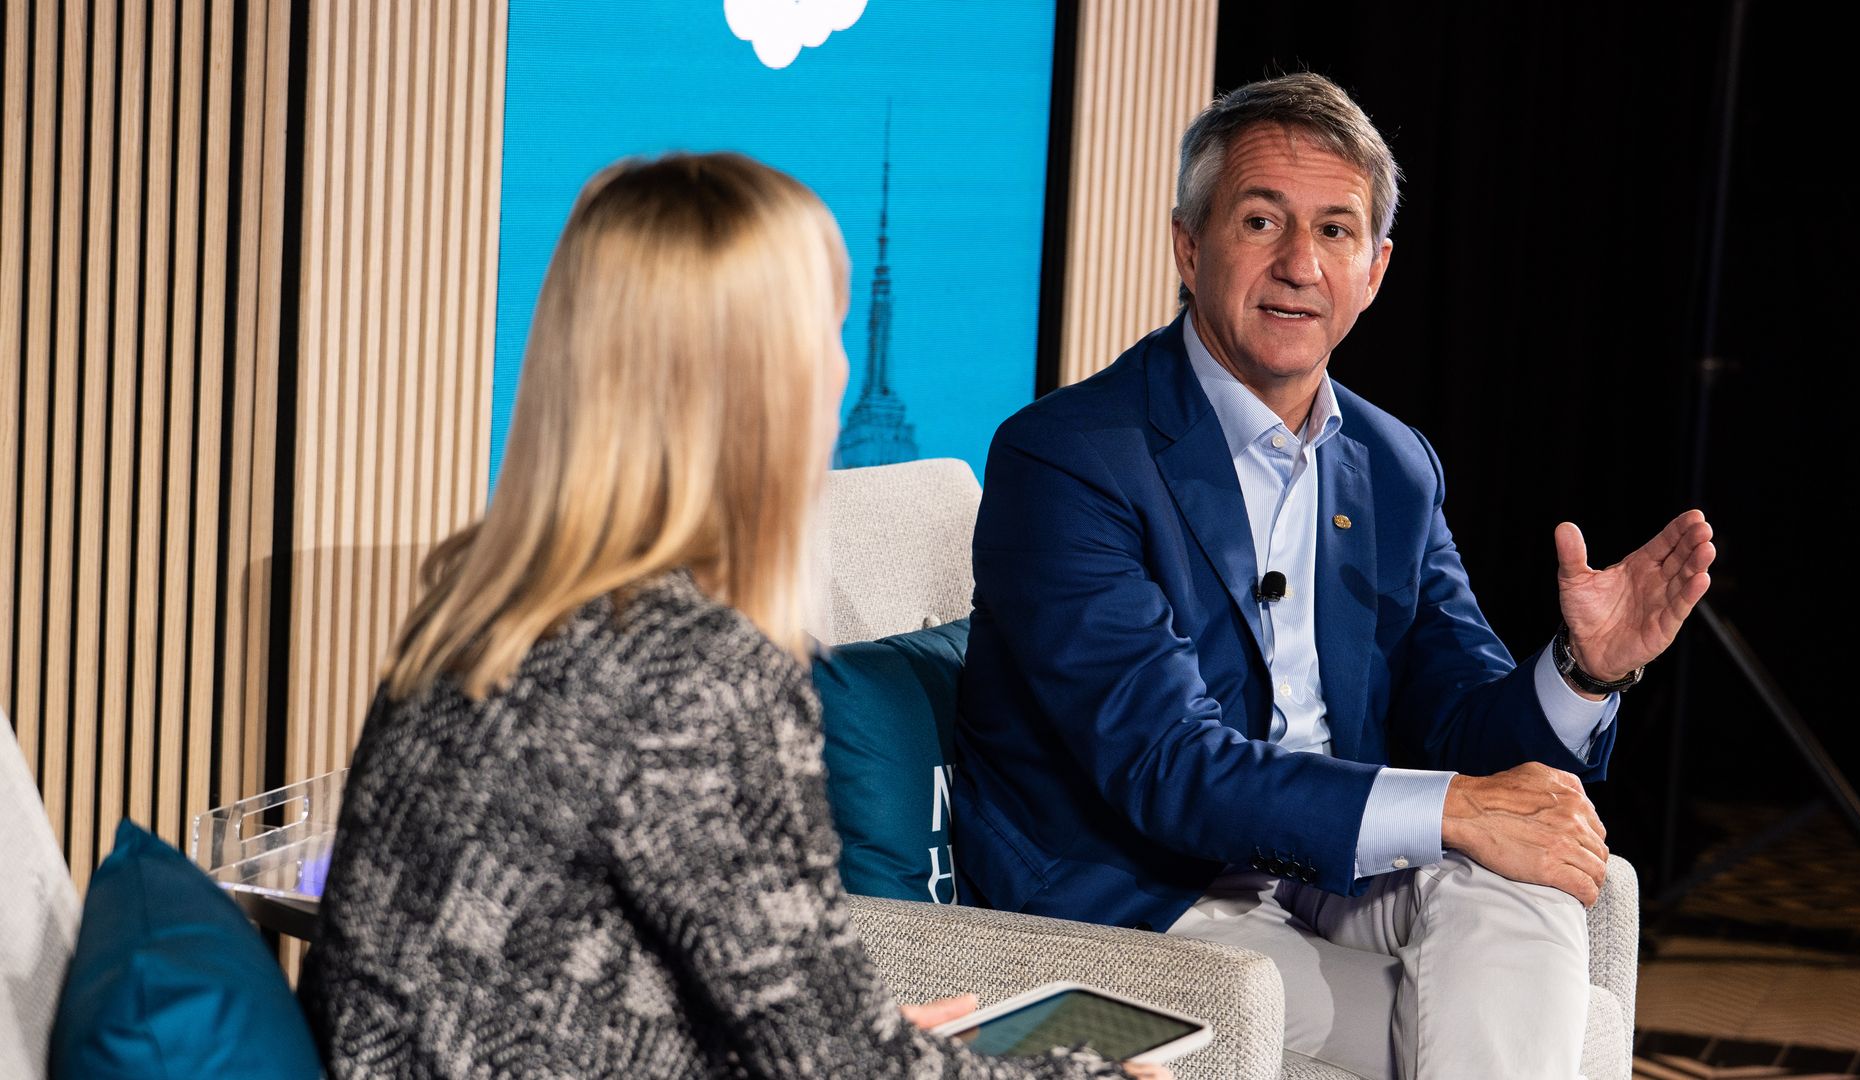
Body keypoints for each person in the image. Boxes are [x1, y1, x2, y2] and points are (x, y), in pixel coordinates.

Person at [298, 153, 1161, 1079]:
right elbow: (832, 1069)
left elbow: (580, 993)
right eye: (823, 332)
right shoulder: (691, 670)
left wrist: (846, 1038)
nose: (838, 369)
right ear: (763, 379)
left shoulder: (477, 609)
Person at [954, 74, 1716, 1079]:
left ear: (1376, 269)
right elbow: (1166, 768)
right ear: (1190, 245)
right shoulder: (1068, 458)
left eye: (1336, 231)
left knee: (1531, 883)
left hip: (1335, 869)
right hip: (1152, 889)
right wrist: (1453, 811)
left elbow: (1460, 719)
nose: (1298, 265)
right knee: (1514, 1012)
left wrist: (1582, 670)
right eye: (1261, 220)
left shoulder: (1395, 466)